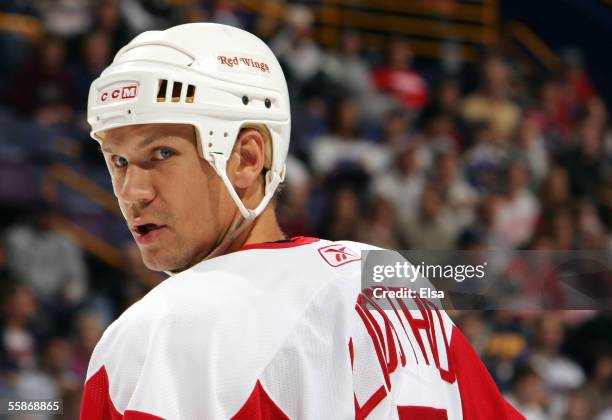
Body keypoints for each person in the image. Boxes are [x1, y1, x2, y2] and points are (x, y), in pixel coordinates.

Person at [80, 23, 523, 419]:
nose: (131, 191)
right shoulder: (388, 279)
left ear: (246, 158)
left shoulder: (162, 330)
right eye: (119, 160)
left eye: (162, 154)